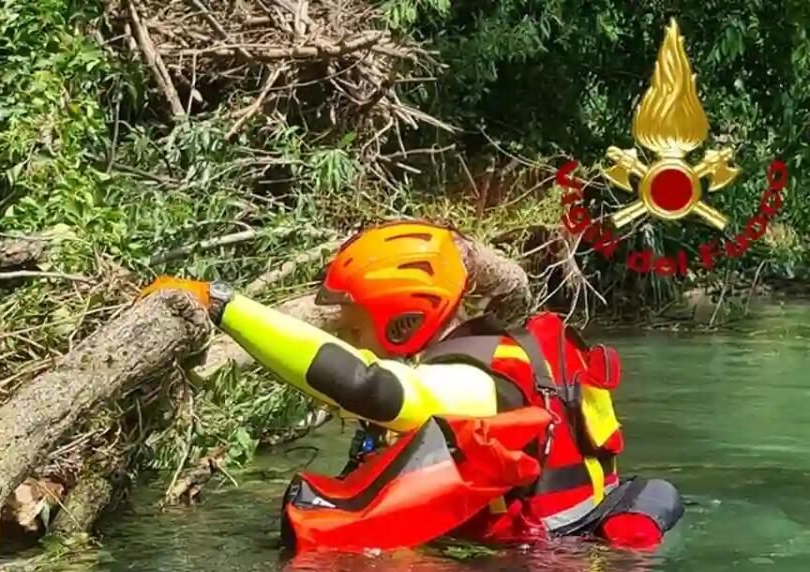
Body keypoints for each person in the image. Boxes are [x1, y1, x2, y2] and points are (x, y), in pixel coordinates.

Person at [136, 220, 683, 550]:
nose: (351, 336)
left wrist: (224, 305)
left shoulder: (477, 382)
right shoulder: (526, 350)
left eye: (357, 325)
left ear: (406, 320)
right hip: (578, 535)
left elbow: (368, 387)